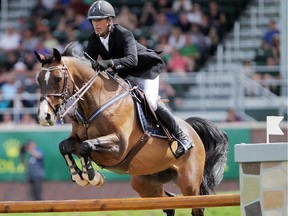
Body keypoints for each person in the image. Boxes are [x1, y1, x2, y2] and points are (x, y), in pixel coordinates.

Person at [84, 0, 193, 158]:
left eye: (99, 19)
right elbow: (88, 62)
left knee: (151, 101)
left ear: (109, 21)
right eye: (93, 20)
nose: (96, 24)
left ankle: (182, 137)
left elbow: (132, 60)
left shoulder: (123, 34)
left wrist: (108, 63)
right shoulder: (93, 39)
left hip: (145, 70)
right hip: (125, 74)